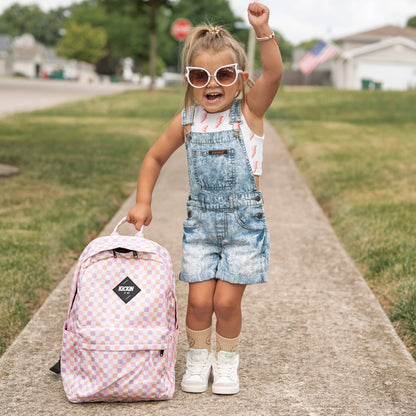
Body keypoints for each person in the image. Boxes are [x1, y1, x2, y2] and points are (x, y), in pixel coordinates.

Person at [127, 2, 282, 395]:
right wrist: (143, 201)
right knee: (198, 302)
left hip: (243, 227)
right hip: (201, 226)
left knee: (226, 303)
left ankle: (226, 363)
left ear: (241, 78)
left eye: (224, 74)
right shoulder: (188, 119)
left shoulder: (249, 112)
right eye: (201, 75)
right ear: (190, 80)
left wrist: (262, 30)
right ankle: (198, 361)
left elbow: (275, 72)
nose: (212, 84)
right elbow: (154, 156)